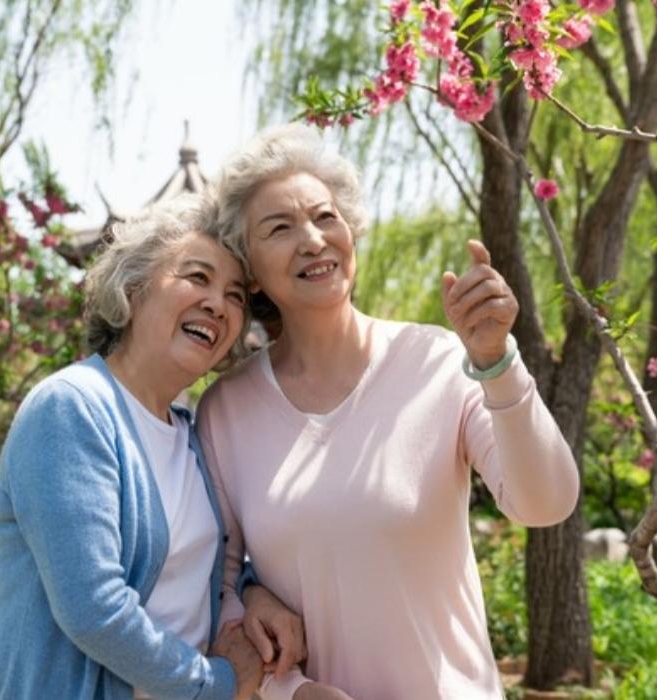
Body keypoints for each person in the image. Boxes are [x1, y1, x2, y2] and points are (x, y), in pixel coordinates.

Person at [196, 125, 580, 700]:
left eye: (325, 217)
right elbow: (214, 587)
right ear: (248, 270)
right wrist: (290, 691)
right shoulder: (225, 409)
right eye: (280, 228)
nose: (312, 240)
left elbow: (546, 502)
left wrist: (497, 361)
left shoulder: (440, 360)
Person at [0, 194, 288, 700]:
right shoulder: (73, 408)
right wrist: (215, 685)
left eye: (235, 295)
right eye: (197, 277)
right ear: (132, 288)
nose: (218, 303)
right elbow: (94, 608)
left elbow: (208, 567)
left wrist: (255, 594)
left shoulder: (192, 431)